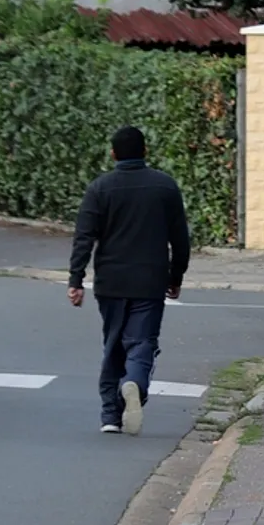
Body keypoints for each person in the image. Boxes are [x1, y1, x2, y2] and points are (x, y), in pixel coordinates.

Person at [67, 126, 191, 435]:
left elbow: (84, 237)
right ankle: (134, 381)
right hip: (150, 279)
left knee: (113, 342)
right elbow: (180, 238)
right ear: (145, 151)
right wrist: (176, 275)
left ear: (113, 154)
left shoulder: (100, 189)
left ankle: (110, 414)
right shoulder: (165, 187)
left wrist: (76, 278)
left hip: (110, 281)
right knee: (142, 341)